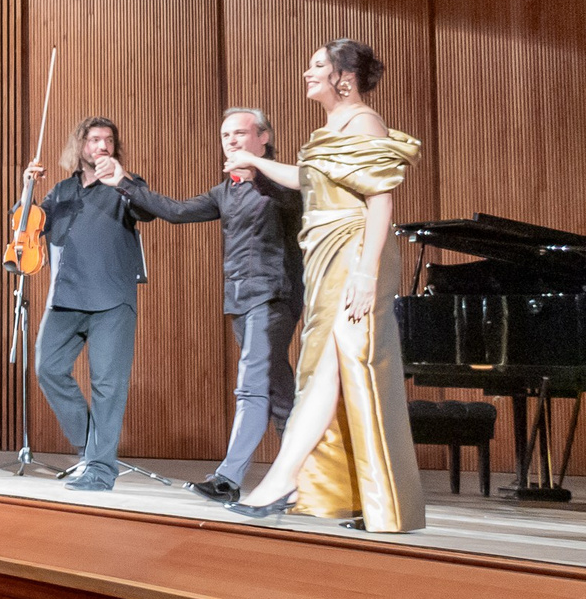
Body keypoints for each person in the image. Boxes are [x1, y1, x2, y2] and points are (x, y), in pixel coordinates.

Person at [226, 40, 425, 532]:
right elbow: (307, 181)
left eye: (317, 65)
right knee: (334, 373)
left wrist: (366, 272)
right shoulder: (329, 129)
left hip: (355, 252)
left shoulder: (365, 122)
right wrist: (255, 164)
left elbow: (381, 201)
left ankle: (282, 478)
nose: (306, 72)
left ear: (344, 76)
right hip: (323, 256)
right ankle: (363, 497)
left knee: (328, 372)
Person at [118, 109, 306, 502]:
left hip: (273, 295)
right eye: (226, 136)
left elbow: (302, 186)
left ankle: (228, 479)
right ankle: (305, 476)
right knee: (277, 387)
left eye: (240, 133)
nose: (232, 141)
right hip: (238, 299)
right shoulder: (225, 192)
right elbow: (175, 211)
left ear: (264, 137)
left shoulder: (283, 187)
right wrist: (124, 183)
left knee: (251, 387)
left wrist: (257, 166)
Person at [20, 117, 146, 492]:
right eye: (95, 140)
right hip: (67, 298)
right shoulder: (61, 192)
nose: (102, 147)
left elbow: (148, 210)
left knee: (108, 385)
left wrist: (122, 181)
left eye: (109, 140)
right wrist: (27, 189)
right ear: (81, 147)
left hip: (112, 301)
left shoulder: (127, 186)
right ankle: (91, 449)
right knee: (48, 367)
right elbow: (26, 228)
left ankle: (101, 470)